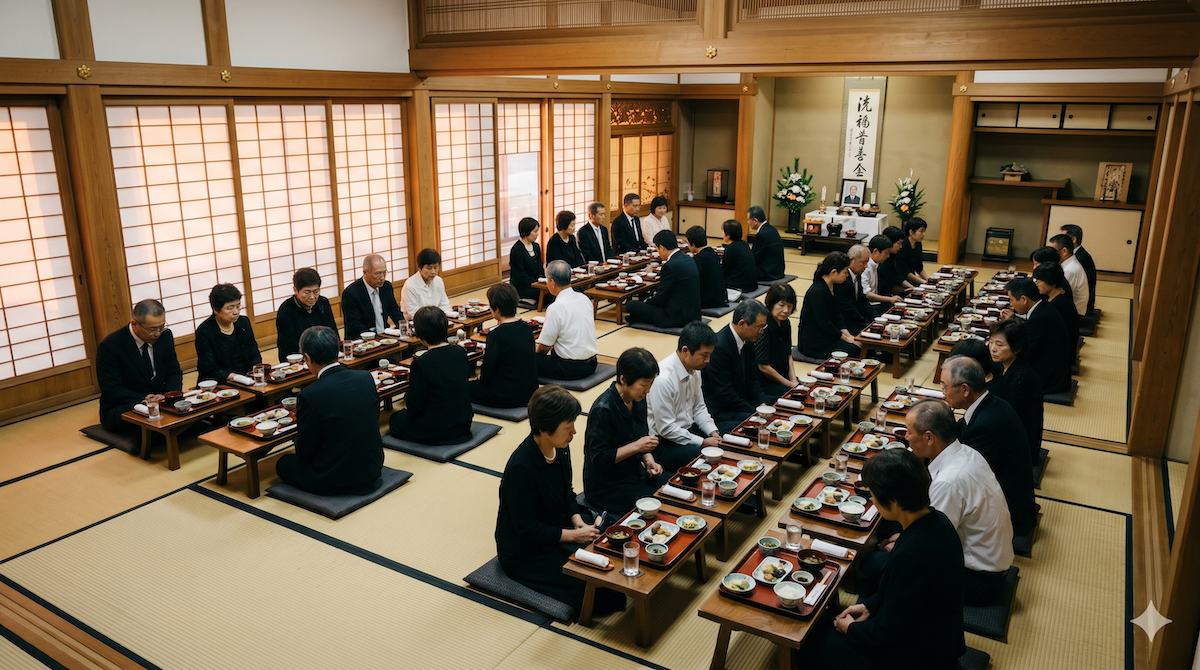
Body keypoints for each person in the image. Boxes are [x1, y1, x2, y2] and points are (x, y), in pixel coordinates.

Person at [804, 448, 965, 670]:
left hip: (920, 655)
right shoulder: (939, 521)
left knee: (811, 645)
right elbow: (904, 597)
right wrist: (868, 606)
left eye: (874, 495)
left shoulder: (912, 554)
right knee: (821, 622)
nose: (873, 501)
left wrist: (852, 630)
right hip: (935, 634)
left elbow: (889, 629)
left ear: (894, 501)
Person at [495, 385, 625, 615]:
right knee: (603, 591)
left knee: (615, 542)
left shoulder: (560, 447)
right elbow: (527, 528)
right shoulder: (521, 467)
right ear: (545, 428)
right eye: (568, 427)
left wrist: (578, 522)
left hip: (559, 525)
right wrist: (574, 536)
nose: (574, 432)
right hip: (526, 550)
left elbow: (567, 491)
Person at [904, 400, 1014, 606]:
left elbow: (930, 545)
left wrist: (900, 543)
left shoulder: (949, 482)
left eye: (909, 432)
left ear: (929, 437)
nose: (906, 437)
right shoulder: (967, 452)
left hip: (978, 581)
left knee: (880, 565)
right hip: (990, 560)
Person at [275, 326, 384, 495]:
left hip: (334, 476)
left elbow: (305, 450)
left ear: (307, 358)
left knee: (283, 464)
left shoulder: (309, 395)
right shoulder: (365, 378)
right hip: (373, 467)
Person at [940, 357, 1038, 537]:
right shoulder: (989, 402)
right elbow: (960, 429)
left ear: (965, 389)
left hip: (1008, 511)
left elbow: (967, 477)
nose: (943, 393)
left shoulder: (985, 426)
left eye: (944, 386)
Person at [584, 347, 690, 515]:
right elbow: (599, 458)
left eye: (650, 385)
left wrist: (649, 461)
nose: (648, 391)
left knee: (676, 487)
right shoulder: (603, 409)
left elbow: (641, 436)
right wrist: (638, 446)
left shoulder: (638, 398)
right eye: (644, 385)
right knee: (658, 504)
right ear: (623, 379)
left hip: (634, 472)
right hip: (606, 485)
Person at [96, 299, 183, 435]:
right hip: (127, 403)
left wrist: (169, 395)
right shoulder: (111, 346)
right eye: (152, 329)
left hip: (161, 400)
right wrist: (145, 398)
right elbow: (111, 388)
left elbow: (174, 372)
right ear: (134, 324)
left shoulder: (165, 336)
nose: (158, 333)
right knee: (149, 424)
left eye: (161, 327)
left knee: (192, 413)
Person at [388, 306, 473, 445]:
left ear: (420, 334)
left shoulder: (422, 363)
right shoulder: (459, 351)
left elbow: (414, 404)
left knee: (395, 419)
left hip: (437, 428)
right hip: (464, 424)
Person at [647, 321, 722, 452]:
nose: (708, 360)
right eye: (704, 355)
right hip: (664, 441)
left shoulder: (695, 369)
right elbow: (666, 428)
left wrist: (713, 432)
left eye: (710, 355)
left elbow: (699, 408)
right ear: (685, 351)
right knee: (706, 456)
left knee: (726, 439)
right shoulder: (663, 379)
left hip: (687, 430)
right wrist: (702, 442)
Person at [702, 300, 770, 432]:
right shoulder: (719, 347)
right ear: (742, 324)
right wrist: (754, 412)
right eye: (759, 327)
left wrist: (762, 404)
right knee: (761, 427)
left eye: (763, 327)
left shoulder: (748, 340)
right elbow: (724, 393)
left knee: (776, 408)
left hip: (740, 402)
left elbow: (752, 378)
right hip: (722, 410)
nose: (761, 332)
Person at [469, 283, 539, 409]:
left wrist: (480, 379)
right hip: (530, 392)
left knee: (464, 387)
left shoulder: (496, 335)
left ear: (496, 309)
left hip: (505, 395)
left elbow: (489, 368)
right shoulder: (526, 327)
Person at [988, 317, 1044, 463]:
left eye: (999, 344)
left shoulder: (1022, 376)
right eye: (991, 342)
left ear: (1017, 348)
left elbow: (1009, 413)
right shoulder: (1001, 364)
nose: (992, 348)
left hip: (1020, 439)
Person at [1003, 277, 1071, 394]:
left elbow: (1024, 351)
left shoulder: (1040, 318)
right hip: (1052, 368)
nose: (1011, 305)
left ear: (1024, 299)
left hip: (1050, 378)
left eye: (1012, 300)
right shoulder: (1043, 308)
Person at [536, 260, 598, 380]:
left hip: (569, 368)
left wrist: (537, 358)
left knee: (525, 360)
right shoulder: (584, 299)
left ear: (552, 282)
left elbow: (544, 346)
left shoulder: (555, 308)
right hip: (592, 364)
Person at [627, 230, 702, 329]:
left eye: (657, 249)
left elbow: (661, 297)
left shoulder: (670, 266)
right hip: (693, 314)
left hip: (675, 316)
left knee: (631, 305)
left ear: (662, 248)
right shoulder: (689, 259)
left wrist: (648, 301)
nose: (658, 252)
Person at [798, 252, 861, 359]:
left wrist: (849, 336)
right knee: (856, 350)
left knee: (859, 343)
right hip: (815, 342)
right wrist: (846, 339)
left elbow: (838, 316)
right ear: (833, 272)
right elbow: (824, 323)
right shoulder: (818, 291)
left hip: (828, 336)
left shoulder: (833, 286)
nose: (847, 276)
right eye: (845, 272)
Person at [195, 284, 261, 384]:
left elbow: (254, 354)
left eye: (238, 306)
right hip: (220, 383)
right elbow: (210, 369)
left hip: (248, 379)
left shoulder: (243, 323)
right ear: (216, 310)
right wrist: (238, 378)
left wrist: (256, 371)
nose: (236, 312)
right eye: (230, 308)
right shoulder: (205, 331)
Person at [275, 267, 338, 362]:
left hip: (325, 357)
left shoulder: (323, 303)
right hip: (299, 360)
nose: (312, 297)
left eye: (316, 292)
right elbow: (290, 345)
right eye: (307, 292)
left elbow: (333, 333)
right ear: (295, 290)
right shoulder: (286, 311)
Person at [342, 254, 403, 340]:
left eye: (384, 273)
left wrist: (404, 327)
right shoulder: (351, 293)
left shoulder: (386, 287)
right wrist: (375, 338)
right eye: (378, 273)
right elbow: (355, 324)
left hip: (384, 335)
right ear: (365, 273)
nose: (382, 278)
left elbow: (395, 311)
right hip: (361, 339)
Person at [755, 282, 798, 398]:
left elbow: (789, 355)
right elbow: (763, 367)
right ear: (771, 303)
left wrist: (794, 380)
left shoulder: (785, 322)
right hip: (766, 381)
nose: (786, 310)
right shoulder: (764, 326)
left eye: (790, 306)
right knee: (793, 397)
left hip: (783, 376)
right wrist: (789, 384)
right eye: (781, 305)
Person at [1033, 262, 1080, 355]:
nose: (1037, 284)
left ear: (1051, 282)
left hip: (1061, 354)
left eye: (1039, 281)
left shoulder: (1059, 305)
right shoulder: (1057, 297)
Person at [835, 244, 876, 336]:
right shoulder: (843, 279)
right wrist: (866, 324)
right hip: (845, 322)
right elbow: (847, 309)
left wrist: (877, 319)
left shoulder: (857, 274)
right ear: (851, 260)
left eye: (867, 262)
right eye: (863, 262)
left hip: (855, 317)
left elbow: (863, 301)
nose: (866, 266)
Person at [400, 248, 452, 319]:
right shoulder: (410, 285)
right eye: (429, 268)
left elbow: (444, 305)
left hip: (437, 320)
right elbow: (413, 314)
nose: (433, 272)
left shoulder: (438, 281)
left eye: (436, 268)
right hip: (417, 322)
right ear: (420, 268)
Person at [1048, 233, 1090, 317]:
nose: (1050, 254)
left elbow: (1059, 295)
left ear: (1064, 251)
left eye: (1053, 251)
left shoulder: (1070, 270)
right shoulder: (1069, 265)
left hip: (1074, 314)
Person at [686, 225, 726, 309]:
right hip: (719, 297)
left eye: (688, 243)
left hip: (707, 301)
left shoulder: (699, 260)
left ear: (693, 244)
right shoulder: (712, 253)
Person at [1060, 223, 1097, 315]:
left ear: (1073, 239)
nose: (1060, 241)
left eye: (1063, 238)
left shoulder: (1080, 257)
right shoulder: (1078, 253)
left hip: (1082, 305)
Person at [861, 234, 903, 313]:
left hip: (876, 303)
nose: (888, 256)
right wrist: (889, 299)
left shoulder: (876, 264)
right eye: (886, 253)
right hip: (868, 305)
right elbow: (867, 294)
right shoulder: (865, 267)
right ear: (876, 251)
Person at [508, 216, 545, 302]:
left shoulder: (536, 246)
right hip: (523, 286)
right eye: (535, 231)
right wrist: (536, 283)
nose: (537, 234)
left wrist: (543, 280)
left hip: (537, 283)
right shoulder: (517, 250)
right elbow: (520, 275)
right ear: (526, 232)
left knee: (553, 290)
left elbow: (540, 267)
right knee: (544, 294)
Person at [720, 219, 758, 295]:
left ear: (728, 234)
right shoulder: (744, 244)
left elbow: (725, 269)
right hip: (752, 283)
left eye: (723, 231)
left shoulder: (731, 248)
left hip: (740, 285)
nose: (722, 234)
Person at [748, 205, 785, 283]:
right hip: (778, 270)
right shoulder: (772, 229)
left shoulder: (761, 235)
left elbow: (754, 257)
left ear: (755, 221)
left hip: (767, 272)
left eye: (748, 220)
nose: (748, 222)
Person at [897, 218, 929, 286]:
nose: (924, 234)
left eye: (924, 231)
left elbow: (919, 268)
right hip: (902, 281)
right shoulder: (902, 246)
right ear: (911, 232)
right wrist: (924, 282)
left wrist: (929, 279)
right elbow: (905, 272)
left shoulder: (918, 244)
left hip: (912, 278)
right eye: (921, 231)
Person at [876, 225, 906, 294]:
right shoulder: (881, 261)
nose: (901, 246)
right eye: (899, 243)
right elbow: (883, 287)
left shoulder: (894, 255)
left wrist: (912, 288)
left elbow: (898, 276)